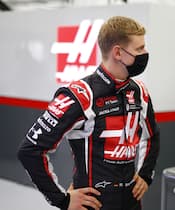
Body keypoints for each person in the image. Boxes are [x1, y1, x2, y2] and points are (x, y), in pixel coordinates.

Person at [18, 16, 160, 210]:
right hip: (92, 204)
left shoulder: (139, 91)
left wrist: (145, 174)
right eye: (139, 49)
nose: (146, 53)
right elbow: (30, 150)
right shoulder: (80, 94)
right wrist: (63, 200)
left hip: (131, 201)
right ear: (118, 52)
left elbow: (152, 136)